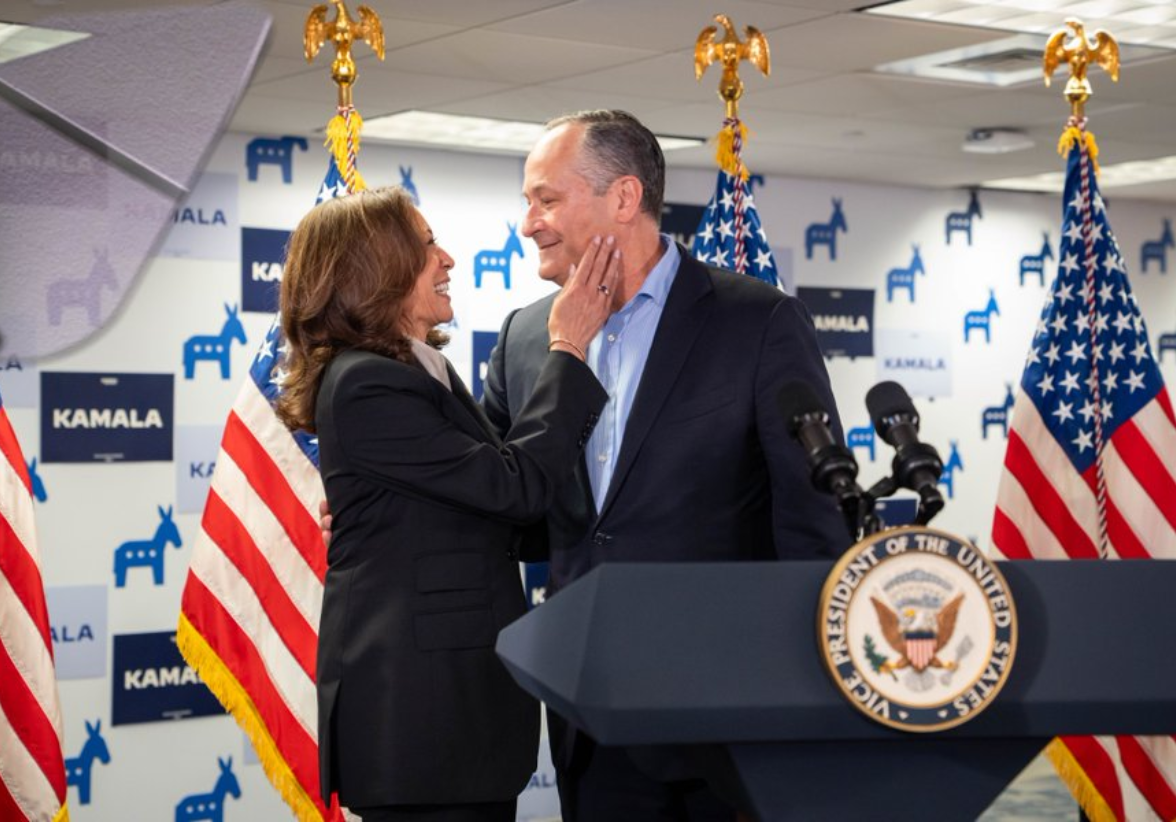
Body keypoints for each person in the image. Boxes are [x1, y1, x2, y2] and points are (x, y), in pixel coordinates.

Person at [480, 110, 851, 821]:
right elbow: (499, 492)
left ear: (622, 198)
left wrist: (805, 694)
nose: (528, 223)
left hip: (728, 714)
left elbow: (814, 522)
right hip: (587, 713)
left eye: (546, 199)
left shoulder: (759, 322)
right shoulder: (529, 336)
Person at [276, 185, 621, 822]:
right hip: (421, 728)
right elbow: (514, 488)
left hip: (453, 725)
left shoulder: (417, 364)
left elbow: (487, 511)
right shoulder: (365, 383)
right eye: (428, 244)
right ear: (375, 269)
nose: (448, 259)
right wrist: (567, 347)